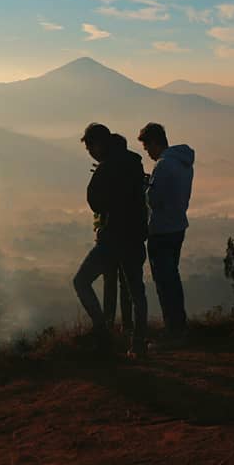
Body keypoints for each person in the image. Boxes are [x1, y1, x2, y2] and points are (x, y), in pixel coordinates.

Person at [72, 123, 148, 356]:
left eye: (90, 148)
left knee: (81, 281)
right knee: (136, 292)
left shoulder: (107, 168)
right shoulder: (134, 162)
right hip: (135, 237)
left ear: (99, 143)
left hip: (112, 238)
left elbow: (94, 201)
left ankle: (103, 330)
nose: (91, 153)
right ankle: (138, 344)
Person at [138, 122, 193, 339]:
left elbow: (153, 199)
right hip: (178, 225)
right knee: (173, 278)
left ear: (154, 143)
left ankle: (173, 329)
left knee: (163, 281)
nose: (148, 154)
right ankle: (178, 324)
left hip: (161, 229)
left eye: (147, 148)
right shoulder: (184, 162)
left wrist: (144, 187)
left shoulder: (162, 165)